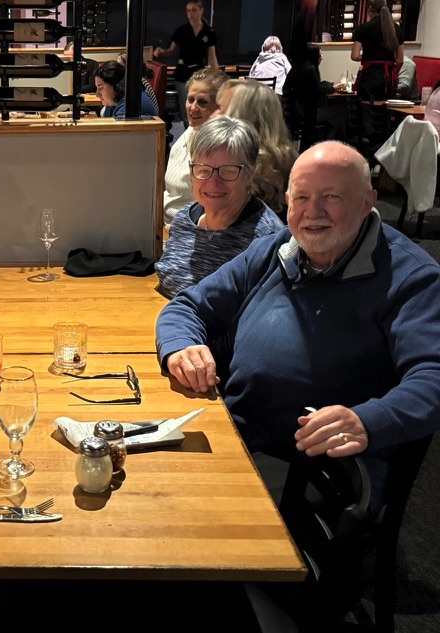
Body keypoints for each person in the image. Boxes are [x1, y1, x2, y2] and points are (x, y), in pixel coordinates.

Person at [155, 141, 440, 497]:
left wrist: (368, 421)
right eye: (301, 197)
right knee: (141, 468)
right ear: (288, 200)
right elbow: (188, 306)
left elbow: (433, 377)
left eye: (331, 197)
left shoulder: (412, 277)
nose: (312, 212)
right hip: (238, 430)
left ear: (368, 201)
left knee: (177, 496)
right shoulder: (277, 248)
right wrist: (181, 347)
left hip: (320, 465)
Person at [155, 116, 284, 298]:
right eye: (203, 170)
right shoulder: (184, 219)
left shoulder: (267, 240)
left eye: (228, 171)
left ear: (250, 173)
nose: (213, 182)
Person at [219, 78, 298, 217]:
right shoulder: (291, 159)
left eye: (221, 110)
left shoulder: (235, 165)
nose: (213, 115)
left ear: (240, 117)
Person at [164, 67, 229, 228]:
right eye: (190, 99)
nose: (193, 108)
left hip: (188, 230)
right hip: (165, 224)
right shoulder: (190, 131)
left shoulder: (221, 148)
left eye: (202, 102)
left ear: (220, 106)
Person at [153, 1, 219, 123]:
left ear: (201, 10)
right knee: (186, 108)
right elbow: (171, 51)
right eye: (188, 10)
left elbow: (212, 56)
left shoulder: (209, 32)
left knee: (201, 106)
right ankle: (188, 131)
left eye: (194, 10)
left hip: (199, 73)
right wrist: (162, 52)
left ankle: (200, 131)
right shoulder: (182, 30)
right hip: (182, 73)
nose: (190, 14)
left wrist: (217, 75)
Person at [351, 0, 404, 140]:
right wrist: (392, 72)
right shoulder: (396, 29)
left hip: (369, 77)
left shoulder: (364, 28)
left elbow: (355, 56)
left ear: (369, 10)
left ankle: (367, 140)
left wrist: (368, 57)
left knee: (366, 110)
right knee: (385, 111)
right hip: (388, 78)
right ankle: (385, 140)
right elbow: (400, 60)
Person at [282, 43, 347, 152]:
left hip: (294, 113)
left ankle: (328, 147)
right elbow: (318, 91)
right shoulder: (310, 70)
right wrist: (333, 88)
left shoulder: (296, 69)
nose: (322, 57)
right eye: (320, 54)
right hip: (306, 114)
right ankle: (337, 147)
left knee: (335, 120)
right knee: (340, 110)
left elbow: (313, 88)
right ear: (314, 55)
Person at [94, 61, 159, 118]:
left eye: (100, 88)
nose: (97, 94)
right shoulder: (114, 101)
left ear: (115, 84)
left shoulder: (130, 105)